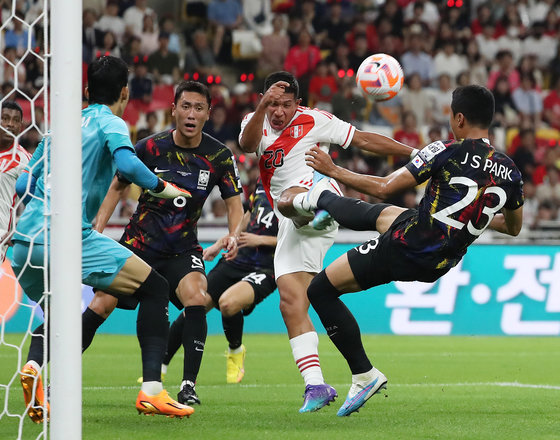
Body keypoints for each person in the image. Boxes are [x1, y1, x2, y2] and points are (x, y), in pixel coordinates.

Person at [302, 85, 524, 416]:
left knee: (319, 290)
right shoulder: (510, 172)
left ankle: (365, 375)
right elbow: (513, 228)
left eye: (451, 114)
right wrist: (469, 217)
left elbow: (384, 187)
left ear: (459, 118)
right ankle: (321, 200)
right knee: (386, 217)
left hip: (407, 248)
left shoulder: (446, 150)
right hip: (441, 259)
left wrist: (333, 170)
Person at [12, 56, 194, 422]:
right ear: (125, 93)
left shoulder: (58, 127)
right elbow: (127, 166)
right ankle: (152, 392)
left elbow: (21, 184)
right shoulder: (111, 122)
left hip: (24, 244)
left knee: (60, 317)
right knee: (156, 288)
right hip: (65, 236)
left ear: (85, 91)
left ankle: (33, 366)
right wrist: (163, 188)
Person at [238, 71, 415, 412]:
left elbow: (362, 139)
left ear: (298, 104)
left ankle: (329, 209)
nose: (278, 112)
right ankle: (316, 385)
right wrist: (261, 107)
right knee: (291, 300)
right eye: (272, 103)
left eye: (285, 105)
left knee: (291, 196)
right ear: (262, 100)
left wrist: (418, 153)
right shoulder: (254, 122)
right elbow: (246, 147)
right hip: (293, 221)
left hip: (320, 193)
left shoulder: (314, 120)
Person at [82, 80, 244, 407]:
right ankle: (57, 375)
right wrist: (98, 228)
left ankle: (187, 386)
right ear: (173, 109)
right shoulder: (148, 147)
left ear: (208, 114)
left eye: (199, 108)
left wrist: (234, 234)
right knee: (101, 304)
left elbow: (233, 202)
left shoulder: (219, 155)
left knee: (198, 296)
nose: (191, 114)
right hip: (139, 244)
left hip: (182, 250)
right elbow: (117, 187)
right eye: (185, 106)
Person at [162, 179, 278, 386]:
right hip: (236, 258)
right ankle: (159, 367)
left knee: (228, 303)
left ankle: (235, 351)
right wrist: (221, 243)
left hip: (266, 267)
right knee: (194, 307)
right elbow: (247, 216)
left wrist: (260, 240)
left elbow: (302, 236)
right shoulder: (262, 182)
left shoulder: (298, 188)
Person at [0, 101, 29, 263]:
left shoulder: (24, 160)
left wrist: (19, 230)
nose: (10, 124)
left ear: (21, 126)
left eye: (15, 120)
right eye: (5, 118)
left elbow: (39, 198)